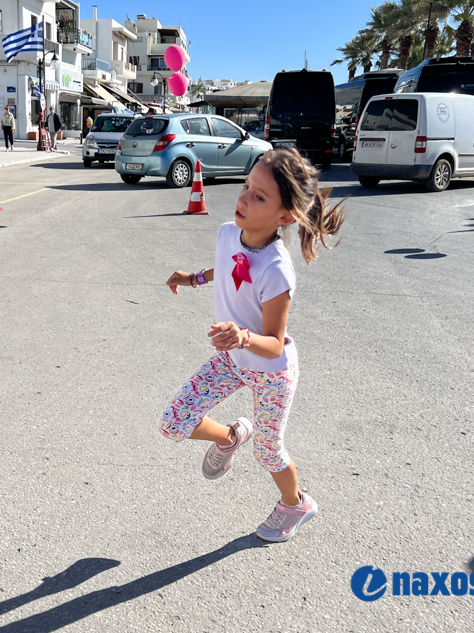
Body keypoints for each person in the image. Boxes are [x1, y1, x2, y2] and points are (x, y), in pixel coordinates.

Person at [161, 148, 345, 543]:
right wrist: (193, 278)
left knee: (268, 451)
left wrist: (243, 336)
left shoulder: (277, 271)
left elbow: (275, 344)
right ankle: (229, 437)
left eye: (259, 196)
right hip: (231, 361)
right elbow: (226, 266)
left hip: (271, 371)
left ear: (284, 216)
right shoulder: (228, 232)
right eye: (247, 187)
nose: (243, 198)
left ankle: (296, 503)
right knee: (173, 423)